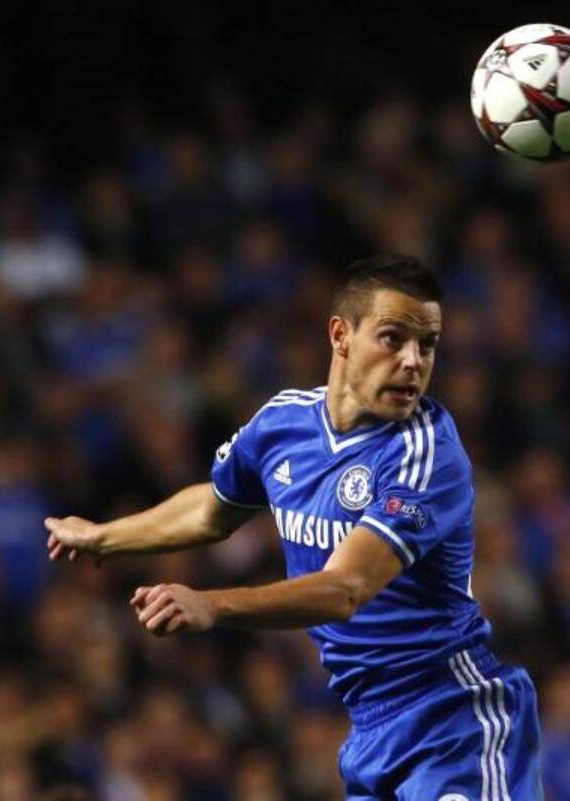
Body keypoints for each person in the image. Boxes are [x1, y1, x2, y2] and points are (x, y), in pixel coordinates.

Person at [45, 254, 543, 800]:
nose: (412, 361)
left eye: (427, 345)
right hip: (369, 730)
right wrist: (104, 537)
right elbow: (213, 509)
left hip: (453, 721)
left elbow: (344, 588)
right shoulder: (283, 424)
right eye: (393, 338)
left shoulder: (426, 453)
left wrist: (212, 605)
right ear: (341, 335)